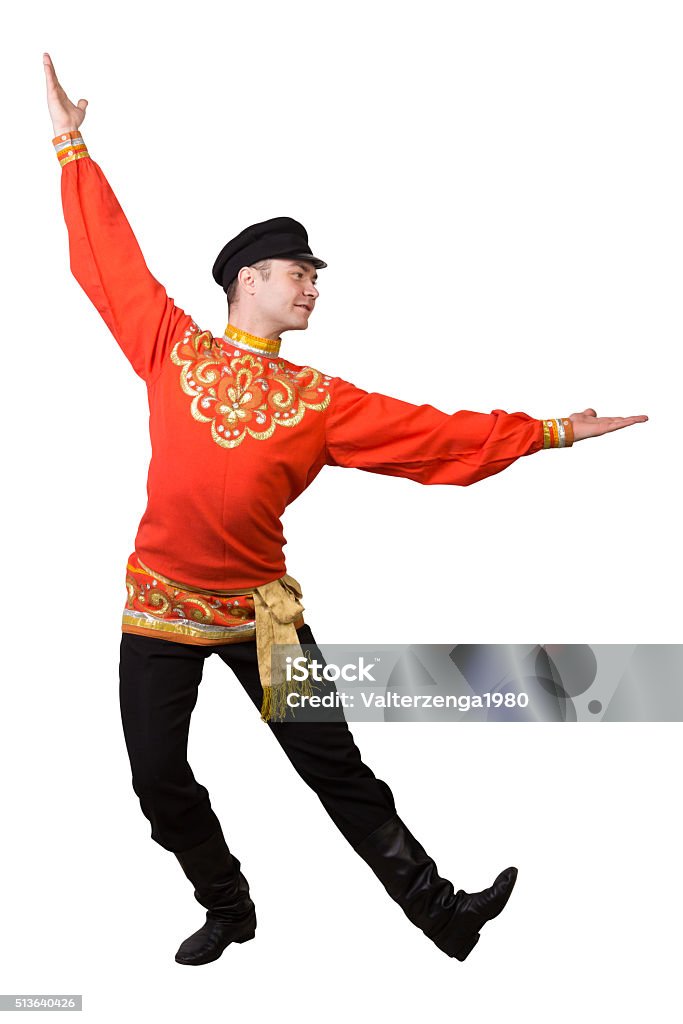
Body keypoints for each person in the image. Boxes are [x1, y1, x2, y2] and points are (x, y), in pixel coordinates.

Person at [44, 52, 647, 967]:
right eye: (300, 271)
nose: (314, 285)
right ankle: (229, 905)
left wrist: (552, 430)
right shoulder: (171, 348)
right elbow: (107, 263)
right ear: (249, 278)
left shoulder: (321, 401)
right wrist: (71, 142)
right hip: (159, 606)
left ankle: (444, 915)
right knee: (157, 778)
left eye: (316, 275)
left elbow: (435, 437)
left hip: (263, 616)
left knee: (336, 770)